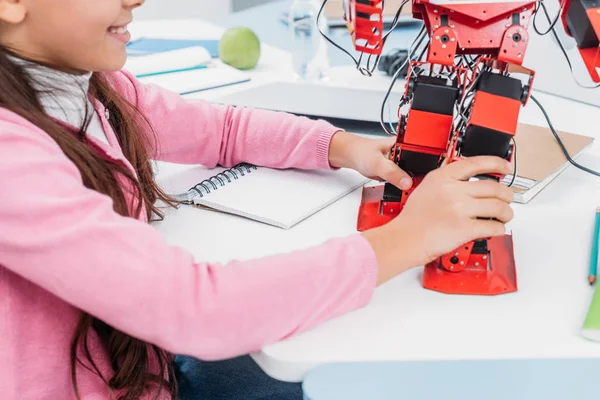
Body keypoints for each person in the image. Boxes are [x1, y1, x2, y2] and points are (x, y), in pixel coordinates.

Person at [0, 0, 515, 399]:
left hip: (143, 367)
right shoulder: (12, 160)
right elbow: (195, 308)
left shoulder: (92, 88)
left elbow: (221, 128)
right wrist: (408, 238)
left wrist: (341, 146)